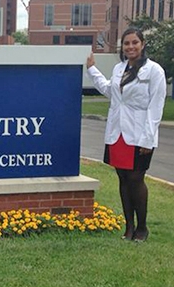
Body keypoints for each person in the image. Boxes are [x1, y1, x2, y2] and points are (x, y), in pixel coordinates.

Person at [86, 27, 167, 242]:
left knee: (136, 178)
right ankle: (128, 227)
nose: (130, 47)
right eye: (127, 43)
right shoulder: (119, 68)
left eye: (135, 43)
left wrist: (148, 139)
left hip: (139, 133)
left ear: (142, 45)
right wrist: (92, 70)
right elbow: (110, 91)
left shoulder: (154, 71)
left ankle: (142, 228)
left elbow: (156, 107)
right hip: (118, 132)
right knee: (122, 178)